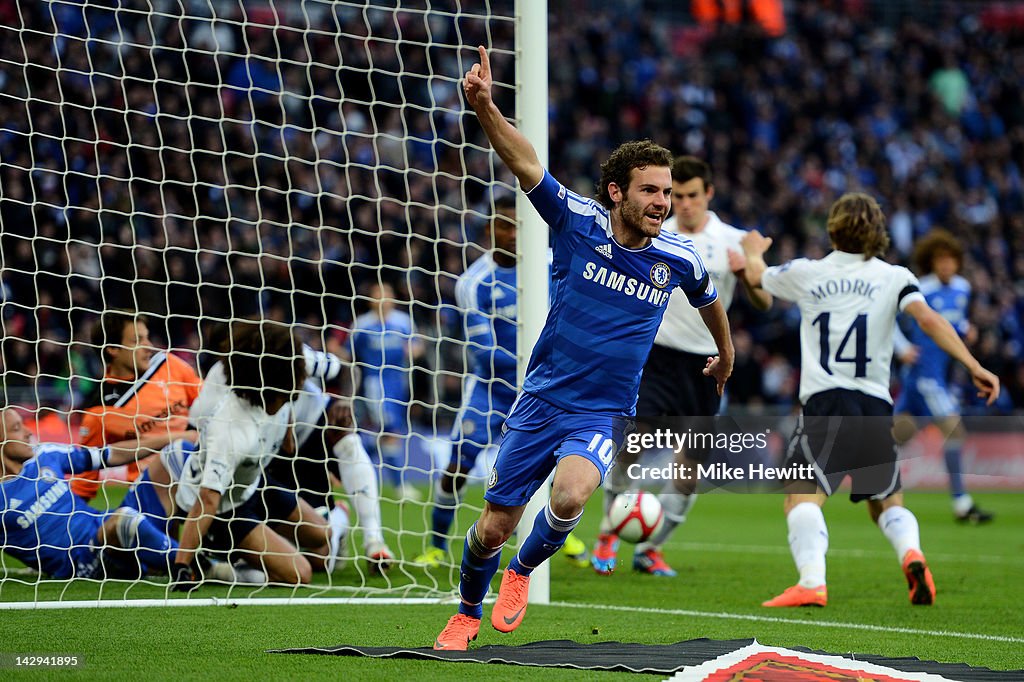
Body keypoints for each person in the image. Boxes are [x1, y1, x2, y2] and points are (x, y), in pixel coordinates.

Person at [433, 47, 733, 650]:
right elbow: (526, 164)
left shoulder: (678, 257)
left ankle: (521, 572)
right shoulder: (578, 224)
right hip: (541, 398)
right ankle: (467, 609)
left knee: (570, 495)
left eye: (668, 193)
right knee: (493, 527)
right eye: (650, 191)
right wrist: (486, 107)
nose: (662, 203)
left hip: (601, 410)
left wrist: (725, 354)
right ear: (618, 191)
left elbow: (709, 303)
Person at [739, 192, 999, 608]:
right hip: (876, 405)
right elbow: (929, 320)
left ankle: (811, 581)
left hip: (828, 401)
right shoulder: (895, 277)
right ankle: (911, 554)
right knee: (886, 503)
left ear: (832, 229)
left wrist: (753, 250)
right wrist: (972, 364)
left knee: (800, 497)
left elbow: (756, 277)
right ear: (878, 233)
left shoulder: (808, 272)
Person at [592, 156, 772, 577]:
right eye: (679, 195)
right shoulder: (655, 232)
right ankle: (608, 531)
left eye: (692, 195)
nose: (684, 204)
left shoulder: (734, 240)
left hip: (707, 365)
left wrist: (747, 275)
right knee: (631, 450)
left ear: (708, 194)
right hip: (656, 356)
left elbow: (764, 303)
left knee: (690, 468)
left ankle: (649, 549)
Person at [413, 196, 588, 569]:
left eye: (520, 226)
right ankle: (436, 545)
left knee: (560, 464)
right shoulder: (473, 283)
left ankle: (562, 535)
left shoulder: (548, 264)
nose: (514, 234)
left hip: (546, 389)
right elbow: (484, 352)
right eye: (506, 225)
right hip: (493, 388)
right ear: (490, 229)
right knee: (459, 462)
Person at [170, 321, 343, 589]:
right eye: (287, 395)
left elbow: (334, 367)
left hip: (251, 485)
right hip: (222, 511)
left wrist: (289, 433)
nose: (292, 397)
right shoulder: (230, 429)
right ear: (271, 387)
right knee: (300, 573)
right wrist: (182, 565)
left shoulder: (284, 376)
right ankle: (217, 567)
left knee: (323, 535)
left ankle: (258, 547)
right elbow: (207, 500)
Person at [1, 406, 193, 579]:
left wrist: (173, 437)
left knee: (177, 453)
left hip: (105, 527)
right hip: (84, 561)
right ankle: (201, 565)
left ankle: (211, 543)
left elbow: (108, 455)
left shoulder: (45, 455)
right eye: (17, 429)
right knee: (124, 521)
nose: (28, 433)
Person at [892, 229, 993, 523]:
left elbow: (951, 323)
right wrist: (902, 348)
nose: (947, 266)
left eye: (951, 260)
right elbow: (891, 319)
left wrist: (966, 330)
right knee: (954, 431)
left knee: (899, 435)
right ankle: (962, 504)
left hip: (937, 374)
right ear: (932, 263)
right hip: (925, 373)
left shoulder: (963, 288)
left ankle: (861, 471)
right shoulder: (920, 288)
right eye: (941, 261)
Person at [71, 310, 202, 500]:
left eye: (147, 338)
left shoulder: (170, 365)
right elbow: (84, 482)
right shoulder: (99, 410)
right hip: (151, 496)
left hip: (197, 473)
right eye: (137, 341)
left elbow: (210, 406)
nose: (149, 347)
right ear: (113, 349)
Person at [347, 281, 425, 502]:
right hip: (374, 384)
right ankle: (400, 487)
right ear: (371, 299)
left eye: (387, 294)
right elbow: (349, 352)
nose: (383, 299)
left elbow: (417, 346)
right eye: (378, 294)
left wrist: (413, 350)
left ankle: (354, 463)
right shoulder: (362, 325)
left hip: (398, 384)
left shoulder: (403, 322)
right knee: (389, 433)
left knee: (386, 435)